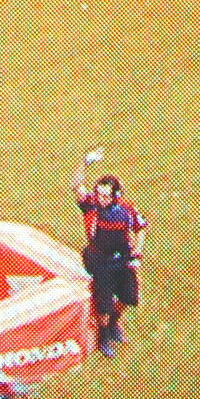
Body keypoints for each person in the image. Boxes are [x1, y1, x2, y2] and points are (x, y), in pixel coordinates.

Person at [71, 151, 147, 357]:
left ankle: (114, 324)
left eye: (106, 195)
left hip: (122, 258)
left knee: (127, 298)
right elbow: (76, 186)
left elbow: (141, 228)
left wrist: (137, 252)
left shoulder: (127, 209)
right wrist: (85, 162)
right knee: (104, 304)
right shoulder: (92, 205)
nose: (101, 199)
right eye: (99, 194)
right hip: (100, 258)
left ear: (115, 196)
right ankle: (104, 335)